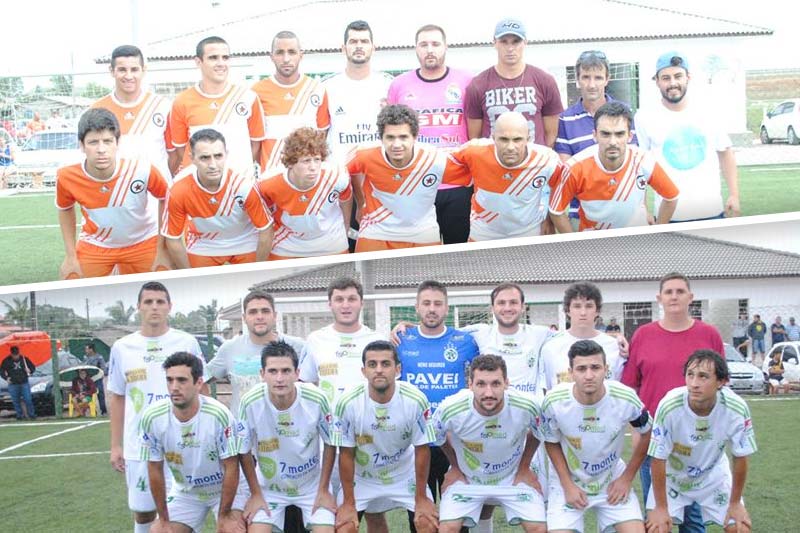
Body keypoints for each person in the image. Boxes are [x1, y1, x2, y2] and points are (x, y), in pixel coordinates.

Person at [621, 272, 724, 533]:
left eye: (680, 291)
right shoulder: (643, 335)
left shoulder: (709, 334)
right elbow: (630, 387)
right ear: (659, 298)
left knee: (692, 519)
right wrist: (637, 430)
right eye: (668, 292)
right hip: (654, 437)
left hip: (694, 440)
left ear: (691, 297)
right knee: (657, 518)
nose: (674, 296)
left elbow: (721, 385)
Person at [107, 281, 205, 532]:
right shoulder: (122, 347)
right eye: (148, 302)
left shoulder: (187, 342)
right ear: (139, 306)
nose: (154, 307)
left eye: (160, 302)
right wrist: (116, 445)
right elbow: (117, 396)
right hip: (139, 444)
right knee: (143, 512)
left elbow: (201, 389)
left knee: (185, 510)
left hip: (183, 442)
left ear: (169, 307)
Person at [541, 340, 651, 533]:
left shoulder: (625, 398)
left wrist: (626, 478)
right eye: (581, 369)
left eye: (595, 367)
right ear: (571, 372)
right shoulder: (554, 401)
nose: (589, 375)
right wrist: (567, 485)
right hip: (568, 481)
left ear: (606, 369)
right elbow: (551, 442)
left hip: (612, 480)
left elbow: (647, 432)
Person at [333, 340, 438, 533]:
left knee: (427, 524)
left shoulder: (415, 399)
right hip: (363, 478)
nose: (379, 370)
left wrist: (421, 497)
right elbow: (346, 453)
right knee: (345, 528)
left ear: (397, 369)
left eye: (385, 364)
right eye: (372, 364)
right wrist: (348, 502)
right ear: (363, 371)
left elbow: (422, 449)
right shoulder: (348, 402)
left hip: (404, 475)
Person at [646, 350, 756, 533]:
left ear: (721, 382)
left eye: (703, 376)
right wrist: (661, 508)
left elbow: (740, 456)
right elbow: (658, 458)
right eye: (690, 375)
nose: (694, 384)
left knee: (739, 528)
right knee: (657, 528)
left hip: (713, 477)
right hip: (673, 479)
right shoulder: (669, 405)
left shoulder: (736, 408)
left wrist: (735, 503)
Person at [432, 354, 545, 533]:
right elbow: (438, 436)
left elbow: (539, 431)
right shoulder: (450, 409)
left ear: (506, 383)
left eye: (496, 384)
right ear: (470, 385)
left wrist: (524, 467)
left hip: (513, 476)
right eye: (481, 384)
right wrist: (455, 467)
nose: (489, 393)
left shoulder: (528, 405)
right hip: (468, 478)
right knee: (447, 529)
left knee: (539, 529)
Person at [56, 108, 169, 279]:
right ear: (81, 145)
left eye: (108, 141)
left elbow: (165, 198)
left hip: (144, 240)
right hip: (96, 244)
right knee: (72, 279)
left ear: (118, 143)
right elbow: (65, 209)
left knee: (164, 279)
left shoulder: (142, 169)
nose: (101, 149)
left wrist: (162, 247)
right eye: (93, 142)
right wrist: (70, 256)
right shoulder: (66, 176)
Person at [387, 24, 474, 244]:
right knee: (420, 251)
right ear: (415, 48)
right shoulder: (399, 85)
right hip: (415, 183)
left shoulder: (466, 81)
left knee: (459, 250)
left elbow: (476, 130)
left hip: (458, 183)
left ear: (446, 46)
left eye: (435, 44)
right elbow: (391, 134)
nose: (430, 50)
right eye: (423, 45)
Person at [140, 352, 245, 533]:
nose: (174, 387)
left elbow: (231, 467)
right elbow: (154, 468)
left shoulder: (218, 415)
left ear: (198, 383)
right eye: (170, 380)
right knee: (159, 531)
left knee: (232, 530)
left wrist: (224, 516)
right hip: (186, 493)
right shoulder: (153, 417)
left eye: (182, 380)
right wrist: (164, 520)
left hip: (224, 489)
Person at [237, 341, 336, 533]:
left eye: (286, 371)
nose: (279, 378)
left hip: (311, 486)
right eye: (273, 371)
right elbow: (243, 450)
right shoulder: (250, 401)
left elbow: (331, 443)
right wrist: (256, 493)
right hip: (269, 488)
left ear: (297, 373)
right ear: (262, 374)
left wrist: (323, 489)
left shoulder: (317, 399)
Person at [395, 280, 479, 506]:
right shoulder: (400, 341)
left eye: (438, 304)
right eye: (426, 303)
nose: (432, 309)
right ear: (417, 307)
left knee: (458, 511)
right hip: (416, 442)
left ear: (447, 308)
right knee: (421, 514)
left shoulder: (466, 341)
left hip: (454, 440)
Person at [346, 104, 470, 251]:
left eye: (403, 137)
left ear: (415, 137)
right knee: (365, 267)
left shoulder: (435, 160)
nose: (396, 144)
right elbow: (336, 174)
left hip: (423, 234)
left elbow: (476, 175)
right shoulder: (364, 154)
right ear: (381, 138)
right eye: (390, 137)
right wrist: (360, 201)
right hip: (375, 232)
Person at [634, 52, 740, 223]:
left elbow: (725, 152)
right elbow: (640, 166)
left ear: (688, 77)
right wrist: (643, 207)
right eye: (666, 78)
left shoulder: (709, 110)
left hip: (712, 212)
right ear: (657, 81)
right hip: (669, 217)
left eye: (678, 76)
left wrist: (734, 195)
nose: (672, 83)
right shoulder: (644, 117)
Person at [550, 102, 679, 232]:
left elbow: (671, 197)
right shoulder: (574, 167)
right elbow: (556, 211)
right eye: (605, 134)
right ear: (594, 135)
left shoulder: (644, 161)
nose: (612, 142)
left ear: (630, 136)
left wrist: (658, 232)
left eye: (619, 134)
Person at [163, 129, 274, 268]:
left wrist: (258, 269)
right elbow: (173, 238)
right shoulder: (178, 189)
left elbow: (266, 229)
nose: (213, 165)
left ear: (226, 155)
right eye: (205, 158)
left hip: (246, 240)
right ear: (192, 159)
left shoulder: (243, 184)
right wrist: (189, 274)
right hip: (204, 244)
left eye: (218, 156)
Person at [449, 111, 566, 241]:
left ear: (528, 139)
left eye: (517, 139)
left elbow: (561, 186)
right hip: (483, 231)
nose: (510, 147)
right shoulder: (473, 151)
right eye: (504, 139)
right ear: (493, 137)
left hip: (529, 230)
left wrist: (549, 218)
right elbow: (438, 164)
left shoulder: (547, 159)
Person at [555, 50, 638, 227]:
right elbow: (567, 172)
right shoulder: (566, 119)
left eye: (598, 78)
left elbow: (633, 163)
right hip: (582, 215)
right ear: (577, 80)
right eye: (586, 77)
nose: (592, 85)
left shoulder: (624, 113)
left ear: (607, 79)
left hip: (623, 212)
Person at [170, 36, 266, 175]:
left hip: (239, 183)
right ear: (198, 62)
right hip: (199, 184)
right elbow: (181, 150)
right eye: (213, 58)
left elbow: (256, 145)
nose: (221, 63)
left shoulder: (248, 97)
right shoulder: (181, 101)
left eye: (225, 58)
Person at [204, 290, 308, 415]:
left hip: (288, 425)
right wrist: (212, 414)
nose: (259, 317)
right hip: (243, 426)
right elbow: (199, 381)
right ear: (244, 318)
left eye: (265, 311)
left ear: (274, 316)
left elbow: (312, 387)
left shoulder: (298, 347)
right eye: (253, 312)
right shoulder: (229, 349)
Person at [256, 127, 353, 259]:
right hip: (286, 244)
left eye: (317, 159)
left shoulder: (338, 176)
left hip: (331, 241)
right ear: (291, 162)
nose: (313, 167)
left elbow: (346, 199)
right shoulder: (267, 184)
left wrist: (345, 227)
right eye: (306, 161)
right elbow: (265, 218)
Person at [465, 18, 563, 146]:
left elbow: (551, 134)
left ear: (525, 42)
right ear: (494, 43)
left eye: (516, 42)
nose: (510, 48)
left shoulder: (545, 81)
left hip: (533, 157)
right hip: (493, 157)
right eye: (504, 42)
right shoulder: (478, 85)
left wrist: (539, 156)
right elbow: (475, 138)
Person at [93, 45, 176, 179]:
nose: (128, 76)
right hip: (117, 188)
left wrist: (160, 178)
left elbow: (174, 155)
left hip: (157, 190)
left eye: (134, 69)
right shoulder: (97, 109)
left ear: (143, 70)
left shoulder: (163, 106)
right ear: (112, 71)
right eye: (122, 70)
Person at [252, 31, 329, 173]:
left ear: (301, 55)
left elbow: (322, 137)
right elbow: (254, 145)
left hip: (307, 178)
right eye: (280, 52)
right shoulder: (256, 92)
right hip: (271, 176)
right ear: (271, 56)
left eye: (292, 52)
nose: (286, 59)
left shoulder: (317, 89)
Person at [322, 20, 393, 162]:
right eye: (353, 42)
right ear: (343, 48)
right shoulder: (326, 87)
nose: (359, 46)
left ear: (373, 48)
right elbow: (320, 135)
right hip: (340, 170)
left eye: (364, 41)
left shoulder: (389, 85)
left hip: (379, 169)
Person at [540, 282, 624, 391]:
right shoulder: (550, 348)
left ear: (597, 311)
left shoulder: (615, 347)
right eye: (577, 306)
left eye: (589, 306)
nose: (583, 312)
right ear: (568, 310)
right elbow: (548, 389)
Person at [0, 346, 36, 420]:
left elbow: (32, 367)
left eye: (17, 354)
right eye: (14, 355)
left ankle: (31, 415)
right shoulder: (6, 361)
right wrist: (6, 378)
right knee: (16, 401)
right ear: (11, 354)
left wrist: (30, 371)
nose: (16, 356)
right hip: (13, 383)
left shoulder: (24, 359)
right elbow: (2, 370)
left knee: (28, 399)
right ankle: (19, 415)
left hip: (24, 382)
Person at [84, 343, 108, 415]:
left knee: (100, 394)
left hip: (97, 379)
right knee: (89, 395)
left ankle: (103, 411)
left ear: (91, 349)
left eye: (87, 349)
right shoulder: (85, 358)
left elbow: (104, 368)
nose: (85, 350)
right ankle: (93, 411)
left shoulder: (99, 357)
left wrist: (102, 374)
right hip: (88, 380)